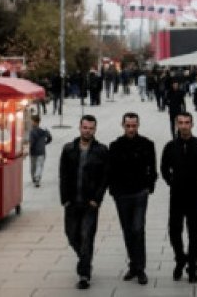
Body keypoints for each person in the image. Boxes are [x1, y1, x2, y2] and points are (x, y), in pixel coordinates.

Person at [160, 112, 197, 284]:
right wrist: (172, 182)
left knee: (194, 233)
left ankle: (192, 268)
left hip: (195, 195)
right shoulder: (170, 146)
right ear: (176, 125)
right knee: (174, 231)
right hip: (176, 195)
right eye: (181, 123)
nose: (184, 126)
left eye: (187, 123)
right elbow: (163, 168)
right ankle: (180, 258)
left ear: (192, 124)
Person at [59, 115, 109, 290]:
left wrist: (97, 199)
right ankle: (85, 259)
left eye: (91, 128)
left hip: (90, 203)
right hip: (72, 202)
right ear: (79, 128)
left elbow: (105, 178)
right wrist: (64, 199)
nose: (87, 131)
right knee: (72, 234)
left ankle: (84, 274)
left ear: (95, 130)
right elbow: (63, 175)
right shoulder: (68, 149)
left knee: (87, 236)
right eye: (85, 127)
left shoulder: (102, 150)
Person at [108, 113, 157, 285]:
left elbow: (153, 167)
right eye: (128, 125)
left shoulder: (147, 144)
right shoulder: (115, 146)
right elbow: (110, 170)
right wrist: (113, 190)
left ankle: (141, 268)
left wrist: (149, 186)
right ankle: (133, 265)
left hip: (139, 193)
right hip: (121, 194)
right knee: (128, 230)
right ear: (123, 125)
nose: (131, 129)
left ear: (138, 125)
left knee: (138, 228)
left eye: (133, 125)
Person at [28, 115, 52, 187]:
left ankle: (34, 178)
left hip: (33, 152)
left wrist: (28, 149)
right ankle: (37, 178)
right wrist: (45, 143)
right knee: (39, 166)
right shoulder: (44, 130)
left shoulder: (32, 132)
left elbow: (31, 142)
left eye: (32, 121)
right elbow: (50, 138)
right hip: (42, 151)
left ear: (35, 122)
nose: (31, 123)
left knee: (33, 166)